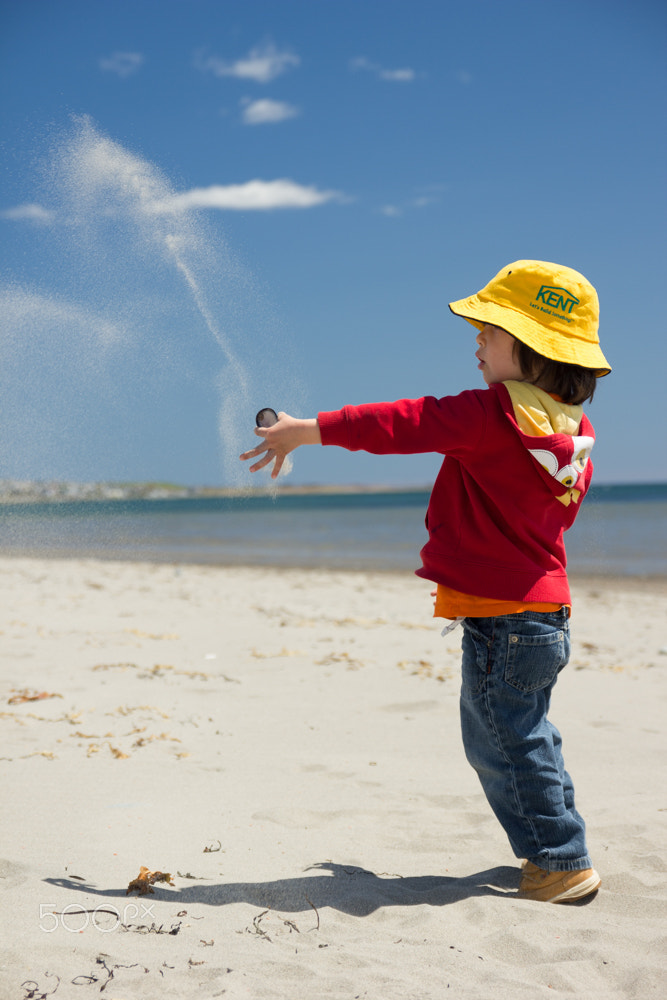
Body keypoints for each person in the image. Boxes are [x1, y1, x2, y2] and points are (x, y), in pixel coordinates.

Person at [240, 259, 611, 904]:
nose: (477, 342)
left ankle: (559, 859)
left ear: (530, 350)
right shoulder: (570, 430)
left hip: (505, 619)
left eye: (489, 332)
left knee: (502, 739)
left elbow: (403, 422)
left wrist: (309, 429)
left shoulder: (488, 415)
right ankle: (556, 847)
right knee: (525, 733)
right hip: (541, 613)